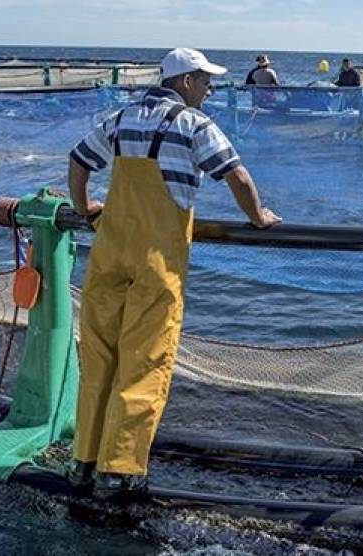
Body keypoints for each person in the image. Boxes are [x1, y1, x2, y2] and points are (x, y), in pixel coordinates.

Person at [66, 48, 281, 498]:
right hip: (155, 261)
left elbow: (79, 160)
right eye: (205, 81)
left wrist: (85, 207)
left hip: (108, 251)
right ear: (184, 82)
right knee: (144, 359)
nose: (209, 90)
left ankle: (83, 462)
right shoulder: (193, 124)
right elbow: (236, 176)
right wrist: (258, 215)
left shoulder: (122, 117)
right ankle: (119, 470)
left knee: (99, 357)